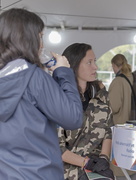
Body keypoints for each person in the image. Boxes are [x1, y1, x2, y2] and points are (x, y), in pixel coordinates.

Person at [0, 8, 83, 179]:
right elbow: (73, 118)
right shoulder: (33, 77)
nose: (42, 44)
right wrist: (64, 72)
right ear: (28, 38)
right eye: (40, 36)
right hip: (38, 174)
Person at [58, 43, 115, 180]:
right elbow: (55, 147)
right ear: (74, 65)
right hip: (64, 173)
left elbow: (108, 130)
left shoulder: (101, 95)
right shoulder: (58, 98)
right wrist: (86, 163)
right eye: (89, 62)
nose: (95, 67)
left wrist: (103, 159)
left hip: (94, 172)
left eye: (94, 61)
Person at [108, 54, 136, 180]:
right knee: (133, 163)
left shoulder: (118, 81)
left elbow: (114, 106)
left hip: (121, 129)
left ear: (114, 65)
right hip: (135, 129)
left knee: (120, 168)